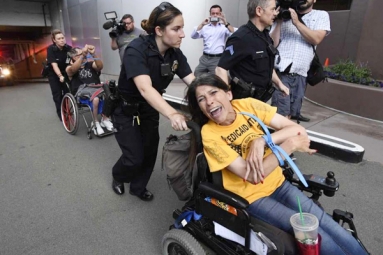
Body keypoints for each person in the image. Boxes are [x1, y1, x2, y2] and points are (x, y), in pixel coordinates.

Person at [185, 73, 369, 255]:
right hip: (253, 197)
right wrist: (287, 146)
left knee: (325, 221)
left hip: (279, 184)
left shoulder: (247, 106)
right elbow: (253, 176)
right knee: (315, 233)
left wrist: (263, 140)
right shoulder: (210, 134)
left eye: (213, 92)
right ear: (201, 109)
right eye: (202, 99)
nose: (209, 101)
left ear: (229, 94)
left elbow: (297, 129)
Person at [111, 2, 195, 201]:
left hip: (148, 109)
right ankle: (118, 176)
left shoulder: (175, 54)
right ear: (158, 30)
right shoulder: (136, 50)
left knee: (149, 152)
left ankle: (138, 188)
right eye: (176, 29)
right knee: (133, 158)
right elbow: (145, 88)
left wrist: (214, 97)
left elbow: (194, 82)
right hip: (126, 110)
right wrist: (172, 113)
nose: (182, 34)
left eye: (182, 28)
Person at [215, 0, 289, 102]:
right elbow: (220, 69)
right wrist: (226, 98)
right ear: (259, 11)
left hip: (261, 99)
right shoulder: (241, 38)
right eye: (272, 9)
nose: (275, 13)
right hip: (243, 101)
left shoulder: (265, 37)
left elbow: (267, 66)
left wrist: (279, 84)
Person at [270, 0, 331, 122]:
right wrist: (279, 21)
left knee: (293, 115)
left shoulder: (321, 15)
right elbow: (272, 44)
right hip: (282, 73)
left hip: (302, 75)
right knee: (281, 116)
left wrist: (296, 22)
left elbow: (316, 38)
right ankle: (277, 139)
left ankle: (286, 139)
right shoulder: (284, 13)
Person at [66, 45, 114, 135]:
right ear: (74, 57)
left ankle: (105, 119)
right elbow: (72, 70)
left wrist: (94, 54)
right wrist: (83, 56)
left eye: (84, 53)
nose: (85, 55)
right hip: (81, 91)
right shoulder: (69, 68)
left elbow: (100, 66)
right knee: (96, 98)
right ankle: (95, 122)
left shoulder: (90, 64)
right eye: (80, 54)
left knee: (110, 92)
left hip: (96, 88)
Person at [191, 5, 235, 77]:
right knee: (197, 74)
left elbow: (235, 33)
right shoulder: (205, 27)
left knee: (216, 79)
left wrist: (225, 22)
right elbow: (193, 36)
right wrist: (202, 24)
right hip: (204, 58)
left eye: (217, 13)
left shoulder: (224, 28)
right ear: (210, 14)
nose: (215, 15)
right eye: (213, 13)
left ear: (220, 14)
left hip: (217, 59)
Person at [46, 29, 72, 120]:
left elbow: (73, 61)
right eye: (59, 38)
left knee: (67, 92)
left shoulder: (68, 48)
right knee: (57, 94)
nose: (62, 40)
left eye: (62, 38)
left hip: (65, 72)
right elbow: (54, 64)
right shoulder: (51, 49)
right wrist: (60, 76)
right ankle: (61, 114)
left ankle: (67, 110)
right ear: (54, 40)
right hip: (54, 74)